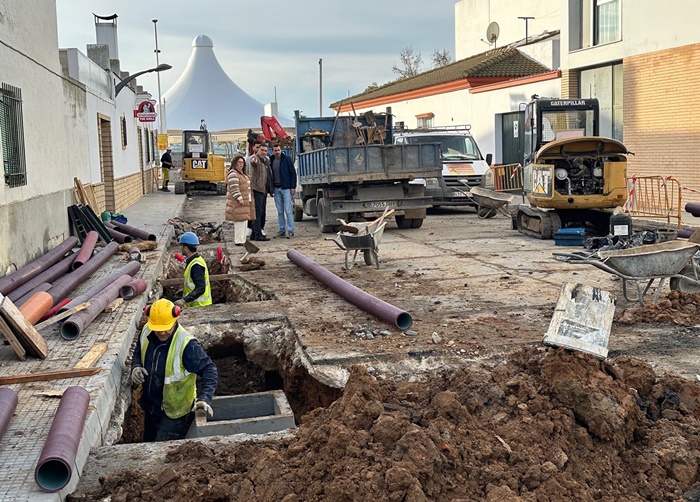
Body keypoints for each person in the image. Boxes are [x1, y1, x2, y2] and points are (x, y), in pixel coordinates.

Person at [131, 298, 218, 442]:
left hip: (173, 412)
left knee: (160, 449)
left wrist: (204, 398)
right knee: (147, 444)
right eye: (158, 328)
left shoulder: (186, 344)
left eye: (167, 327)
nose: (163, 332)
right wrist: (136, 367)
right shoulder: (146, 331)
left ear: (175, 319)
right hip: (150, 406)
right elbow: (137, 353)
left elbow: (209, 369)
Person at [225, 155, 255, 245]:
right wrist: (239, 198)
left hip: (246, 201)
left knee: (244, 221)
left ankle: (243, 239)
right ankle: (238, 240)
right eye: (239, 162)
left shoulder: (242, 174)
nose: (241, 164)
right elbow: (234, 188)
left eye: (242, 162)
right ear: (235, 163)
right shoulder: (233, 174)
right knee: (239, 221)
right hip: (238, 202)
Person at [176, 232, 212, 307]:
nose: (181, 248)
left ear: (185, 248)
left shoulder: (196, 266)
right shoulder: (196, 260)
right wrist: (185, 291)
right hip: (196, 306)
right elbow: (193, 283)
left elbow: (201, 288)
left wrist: (184, 300)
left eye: (181, 246)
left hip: (200, 306)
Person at [269, 143, 297, 238]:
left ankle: (290, 230)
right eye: (275, 150)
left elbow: (293, 173)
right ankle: (282, 230)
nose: (277, 152)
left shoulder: (287, 159)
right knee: (280, 211)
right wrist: (271, 189)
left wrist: (293, 187)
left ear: (281, 150)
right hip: (276, 189)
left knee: (288, 210)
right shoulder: (271, 160)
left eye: (278, 150)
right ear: (272, 151)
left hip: (286, 188)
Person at [248, 144, 273, 241]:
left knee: (261, 212)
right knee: (258, 212)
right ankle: (257, 234)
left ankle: (254, 233)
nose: (264, 152)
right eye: (262, 150)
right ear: (257, 150)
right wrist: (254, 161)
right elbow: (253, 163)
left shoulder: (266, 161)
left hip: (264, 189)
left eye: (266, 150)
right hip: (257, 189)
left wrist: (270, 189)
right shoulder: (256, 159)